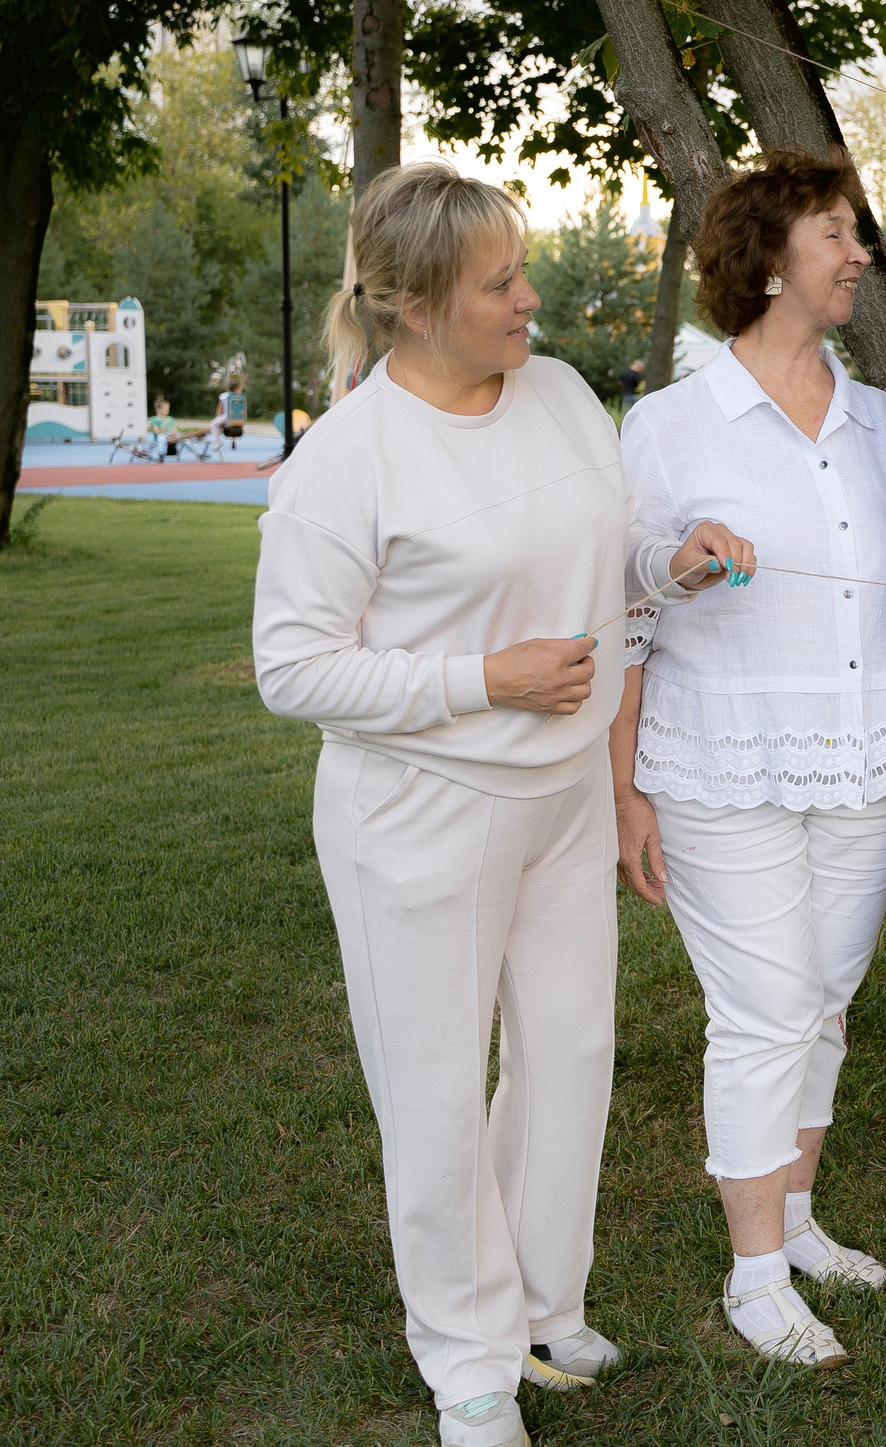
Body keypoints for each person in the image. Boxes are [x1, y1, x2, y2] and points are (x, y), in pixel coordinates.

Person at [252, 162, 747, 1447]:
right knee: (430, 1086)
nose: (534, 300)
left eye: (522, 271)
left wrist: (669, 565)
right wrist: (487, 679)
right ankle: (467, 1361)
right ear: (414, 305)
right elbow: (292, 668)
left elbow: (609, 547)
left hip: (565, 792)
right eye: (503, 283)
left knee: (571, 1055)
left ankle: (540, 1300)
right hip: (421, 810)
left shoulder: (563, 394)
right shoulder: (346, 461)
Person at [610, 152, 886, 1367]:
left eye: (858, 237)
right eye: (837, 235)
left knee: (826, 1002)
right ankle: (755, 1280)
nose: (860, 255)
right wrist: (623, 784)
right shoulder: (667, 423)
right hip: (717, 760)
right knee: (763, 1014)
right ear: (768, 257)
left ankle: (796, 1221)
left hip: (872, 756)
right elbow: (627, 602)